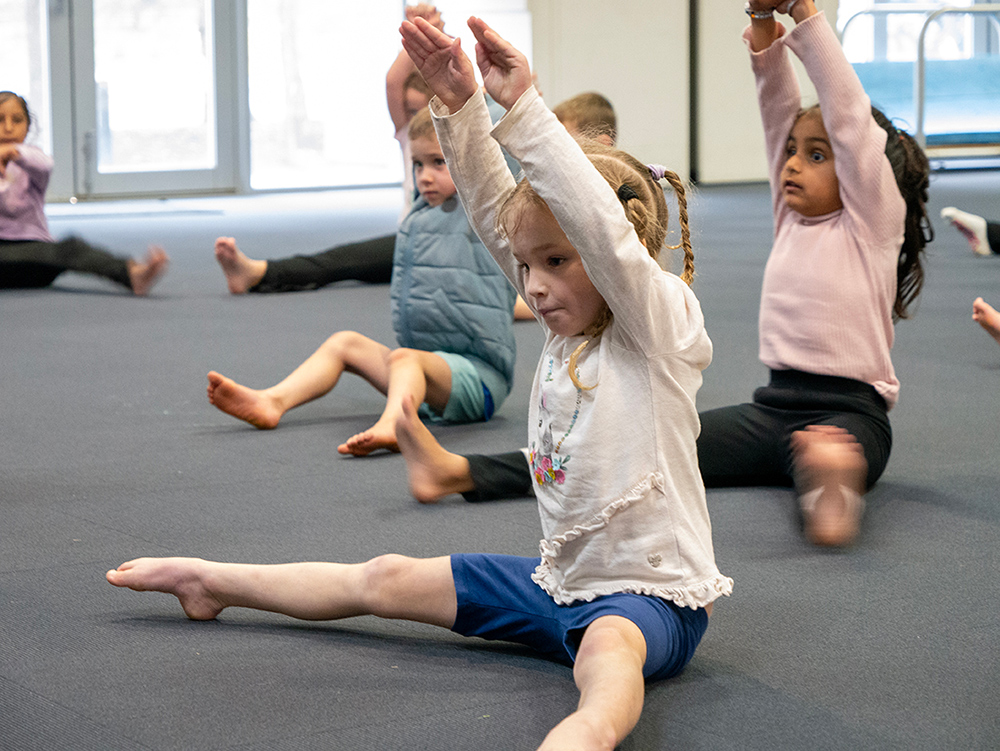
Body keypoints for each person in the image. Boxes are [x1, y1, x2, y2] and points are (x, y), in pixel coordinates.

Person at [108, 18, 732, 751]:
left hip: (649, 600)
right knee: (383, 575)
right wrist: (464, 104)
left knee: (606, 655)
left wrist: (525, 110)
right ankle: (212, 581)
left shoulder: (659, 329)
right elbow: (500, 218)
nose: (532, 284)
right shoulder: (566, 321)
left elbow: (600, 234)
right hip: (557, 584)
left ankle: (587, 734)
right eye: (528, 268)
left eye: (555, 263)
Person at [395, 0, 934, 550]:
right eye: (793, 152)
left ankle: (831, 488)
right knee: (636, 452)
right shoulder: (789, 213)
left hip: (851, 414)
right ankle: (462, 472)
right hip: (771, 408)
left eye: (817, 155)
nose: (792, 163)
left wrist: (803, 12)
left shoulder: (873, 225)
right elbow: (777, 113)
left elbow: (849, 121)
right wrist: (764, 30)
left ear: (860, 170)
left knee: (830, 458)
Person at [206, 105, 517, 457]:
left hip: (479, 380)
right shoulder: (420, 216)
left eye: (438, 163)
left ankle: (395, 425)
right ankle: (272, 401)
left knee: (406, 360)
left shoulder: (485, 213)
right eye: (417, 165)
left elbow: (496, 147)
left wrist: (493, 98)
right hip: (421, 372)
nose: (425, 176)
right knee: (345, 343)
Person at [212, 4, 442, 296]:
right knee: (340, 261)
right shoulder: (412, 139)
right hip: (416, 242)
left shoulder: (456, 143)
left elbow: (462, 91)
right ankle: (258, 272)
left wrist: (438, 44)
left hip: (449, 246)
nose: (414, 119)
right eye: (409, 112)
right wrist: (420, 35)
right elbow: (393, 82)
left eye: (423, 111)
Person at [0, 91, 168, 294]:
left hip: (37, 259)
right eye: (0, 120)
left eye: (17, 120)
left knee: (71, 247)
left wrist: (13, 153)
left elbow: (45, 165)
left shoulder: (32, 159)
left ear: (27, 128)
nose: (8, 128)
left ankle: (132, 274)